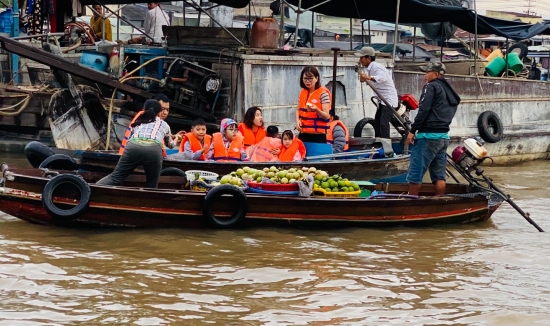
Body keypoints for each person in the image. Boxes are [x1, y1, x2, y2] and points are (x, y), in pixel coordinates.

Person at [406, 62, 461, 197]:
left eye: (427, 72)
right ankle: (439, 201)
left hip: (427, 137)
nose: (425, 76)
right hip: (443, 137)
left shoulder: (431, 86)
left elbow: (423, 110)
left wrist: (412, 131)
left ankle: (409, 205)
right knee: (439, 176)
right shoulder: (450, 91)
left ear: (436, 74)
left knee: (415, 174)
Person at [97, 100, 171, 188]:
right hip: (153, 149)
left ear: (144, 109)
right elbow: (170, 145)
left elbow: (131, 136)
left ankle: (89, 189)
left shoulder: (138, 122)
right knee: (152, 184)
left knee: (115, 177)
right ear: (159, 112)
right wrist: (176, 139)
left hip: (133, 146)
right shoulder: (165, 125)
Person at [356, 46, 399, 139]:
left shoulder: (376, 67)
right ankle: (380, 143)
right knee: (377, 122)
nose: (360, 60)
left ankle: (387, 146)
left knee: (383, 123)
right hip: (382, 100)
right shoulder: (371, 68)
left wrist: (369, 77)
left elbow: (382, 78)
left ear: (368, 58)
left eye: (362, 58)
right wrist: (366, 79)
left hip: (388, 99)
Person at [296, 66, 332, 143]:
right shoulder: (302, 93)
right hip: (303, 133)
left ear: (316, 78)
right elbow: (297, 110)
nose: (307, 81)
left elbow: (326, 116)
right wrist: (297, 121)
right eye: (305, 78)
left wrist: (316, 109)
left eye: (310, 78)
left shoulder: (323, 93)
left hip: (318, 135)